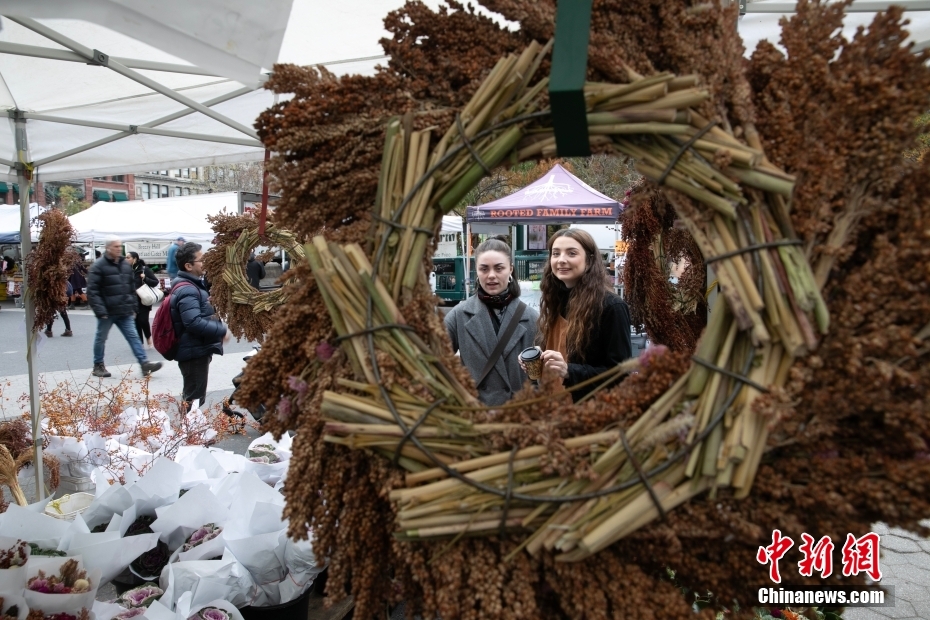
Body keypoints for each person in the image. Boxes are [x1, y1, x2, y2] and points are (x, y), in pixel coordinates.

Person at [536, 229, 632, 402]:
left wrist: (569, 370)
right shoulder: (556, 300)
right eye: (556, 253)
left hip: (589, 416)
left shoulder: (611, 307)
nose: (561, 260)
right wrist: (540, 358)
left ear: (589, 260)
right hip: (552, 410)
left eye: (571, 253)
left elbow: (620, 373)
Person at [444, 238, 538, 406]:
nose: (491, 275)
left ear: (510, 269)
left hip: (519, 416)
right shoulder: (459, 315)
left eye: (499, 268)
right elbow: (435, 359)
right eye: (484, 269)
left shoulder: (532, 318)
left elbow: (542, 376)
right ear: (477, 271)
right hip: (477, 415)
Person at [87, 237, 163, 378]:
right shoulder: (98, 266)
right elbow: (93, 291)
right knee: (101, 338)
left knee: (133, 337)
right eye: (115, 246)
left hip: (124, 310)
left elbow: (130, 288)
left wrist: (134, 307)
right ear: (108, 248)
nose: (118, 249)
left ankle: (144, 364)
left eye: (119, 246)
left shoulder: (124, 265)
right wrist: (100, 310)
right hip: (107, 311)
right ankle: (98, 365)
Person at [170, 242, 229, 411]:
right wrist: (220, 330)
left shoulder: (192, 285)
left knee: (194, 395)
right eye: (202, 260)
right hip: (193, 350)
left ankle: (189, 432)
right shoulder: (188, 289)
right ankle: (188, 434)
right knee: (194, 397)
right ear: (188, 266)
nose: (206, 262)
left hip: (195, 348)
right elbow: (193, 322)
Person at [127, 251, 159, 348]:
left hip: (144, 300)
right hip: (132, 300)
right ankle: (140, 343)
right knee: (136, 321)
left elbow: (155, 282)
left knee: (143, 320)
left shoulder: (144, 269)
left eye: (128, 257)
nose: (126, 259)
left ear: (135, 258)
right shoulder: (127, 270)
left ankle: (148, 337)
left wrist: (145, 278)